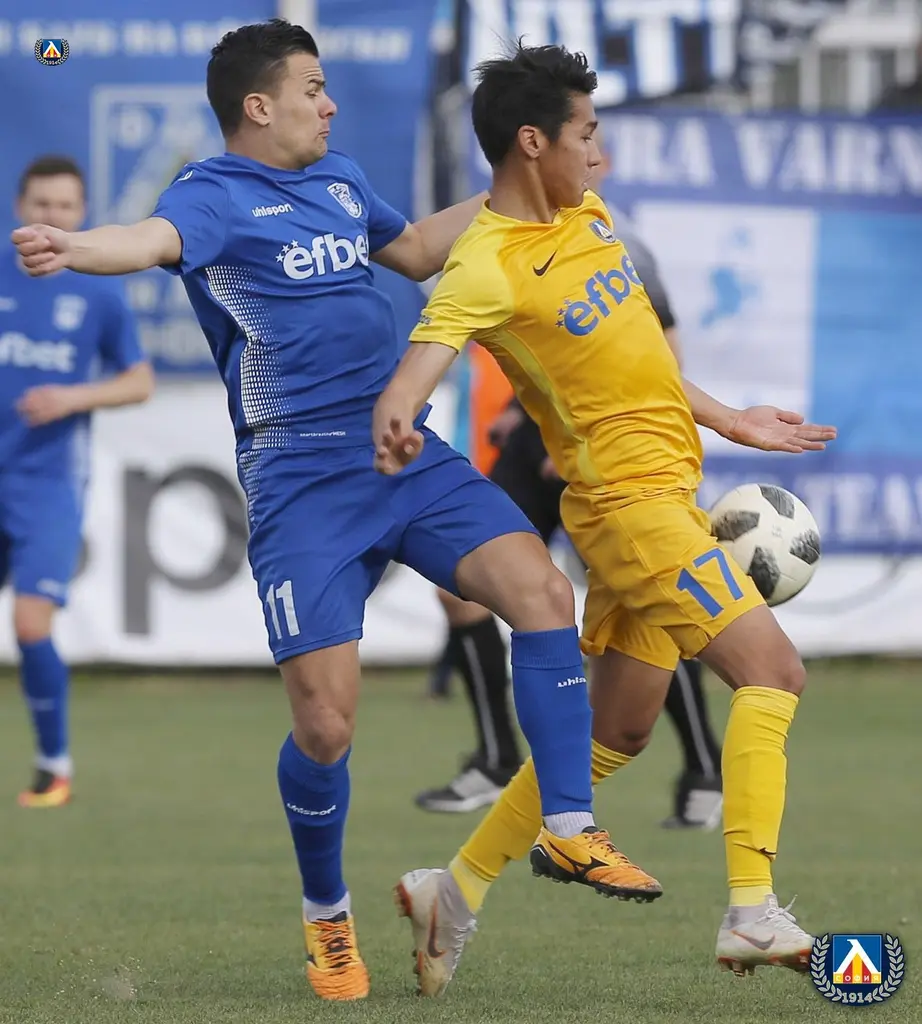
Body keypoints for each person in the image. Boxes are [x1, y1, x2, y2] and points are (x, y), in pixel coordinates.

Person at [13, 21, 663, 1002]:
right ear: (258, 105)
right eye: (312, 88)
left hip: (403, 452)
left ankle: (568, 825)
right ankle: (327, 914)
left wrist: (520, 189)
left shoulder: (342, 179)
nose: (330, 104)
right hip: (301, 482)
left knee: (538, 591)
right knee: (324, 727)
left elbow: (416, 251)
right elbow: (148, 241)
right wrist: (76, 245)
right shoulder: (210, 194)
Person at [372, 42, 836, 995]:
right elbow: (423, 358)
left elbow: (642, 362)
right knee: (774, 671)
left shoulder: (590, 214)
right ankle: (752, 910)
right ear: (532, 141)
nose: (599, 150)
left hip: (669, 498)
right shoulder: (489, 264)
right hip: (628, 513)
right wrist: (398, 416)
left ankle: (453, 889)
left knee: (617, 731)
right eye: (586, 132)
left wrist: (730, 418)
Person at [416, 162, 724, 831]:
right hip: (541, 435)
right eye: (581, 138)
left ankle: (704, 769)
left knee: (650, 603)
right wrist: (519, 418)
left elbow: (659, 359)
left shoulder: (616, 236)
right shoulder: (497, 240)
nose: (589, 157)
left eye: (594, 143)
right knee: (459, 590)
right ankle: (497, 756)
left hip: (607, 449)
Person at [1, 155, 153, 809]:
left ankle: (53, 765)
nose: (51, 216)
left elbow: (139, 381)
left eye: (64, 207)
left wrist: (73, 397)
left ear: (81, 214)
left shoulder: (98, 291)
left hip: (47, 483)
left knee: (31, 623)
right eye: (41, 204)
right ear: (19, 209)